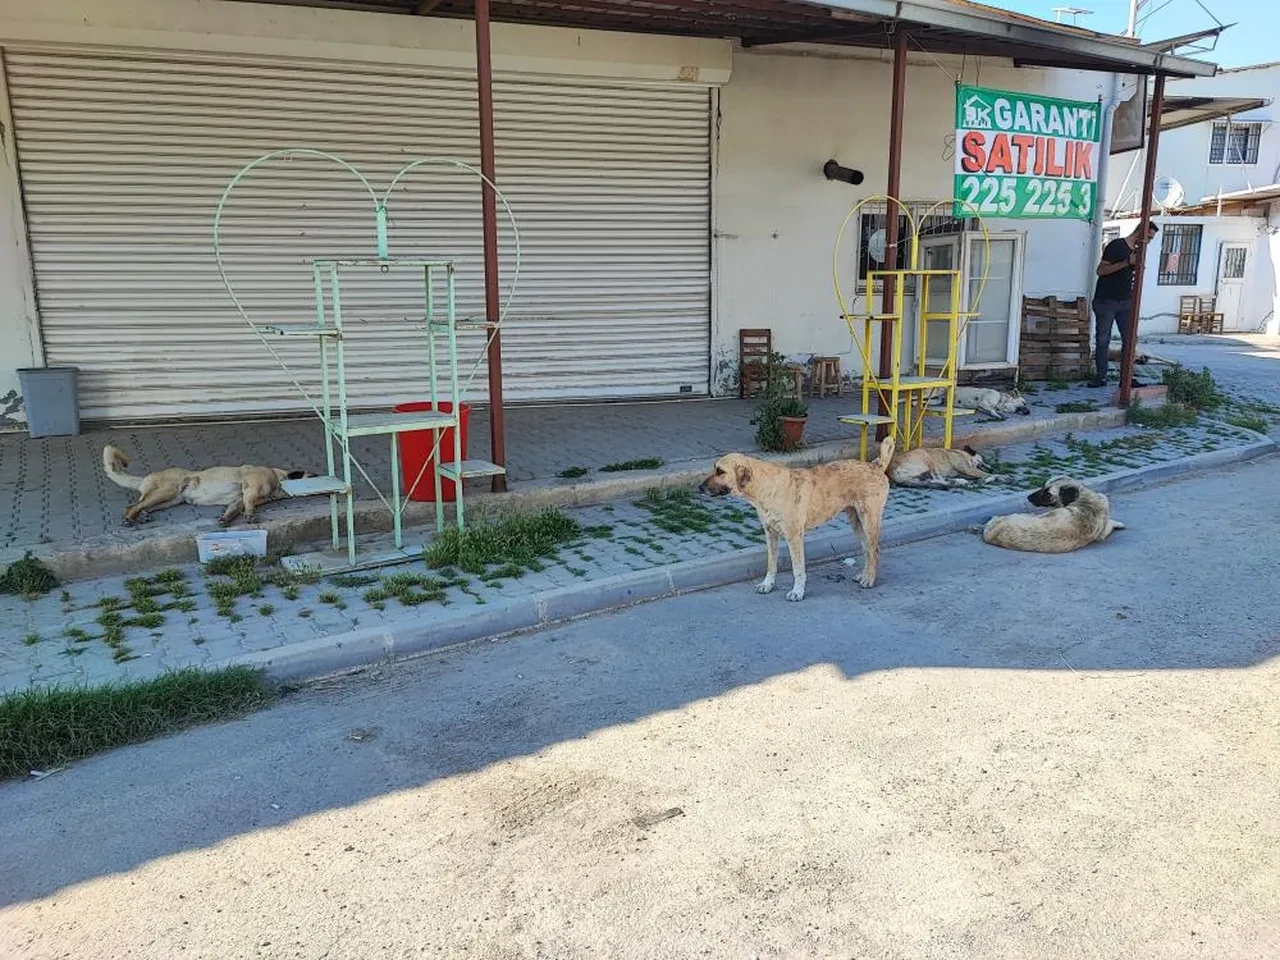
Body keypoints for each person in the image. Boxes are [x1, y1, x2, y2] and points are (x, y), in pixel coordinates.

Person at [1091, 222, 1158, 388]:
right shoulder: (1117, 245)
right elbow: (1101, 270)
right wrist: (1127, 262)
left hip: (1126, 302)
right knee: (1102, 339)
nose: (1149, 241)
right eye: (1148, 237)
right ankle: (1101, 377)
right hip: (1106, 300)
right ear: (1141, 232)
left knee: (1130, 339)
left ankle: (1126, 378)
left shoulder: (1138, 250)